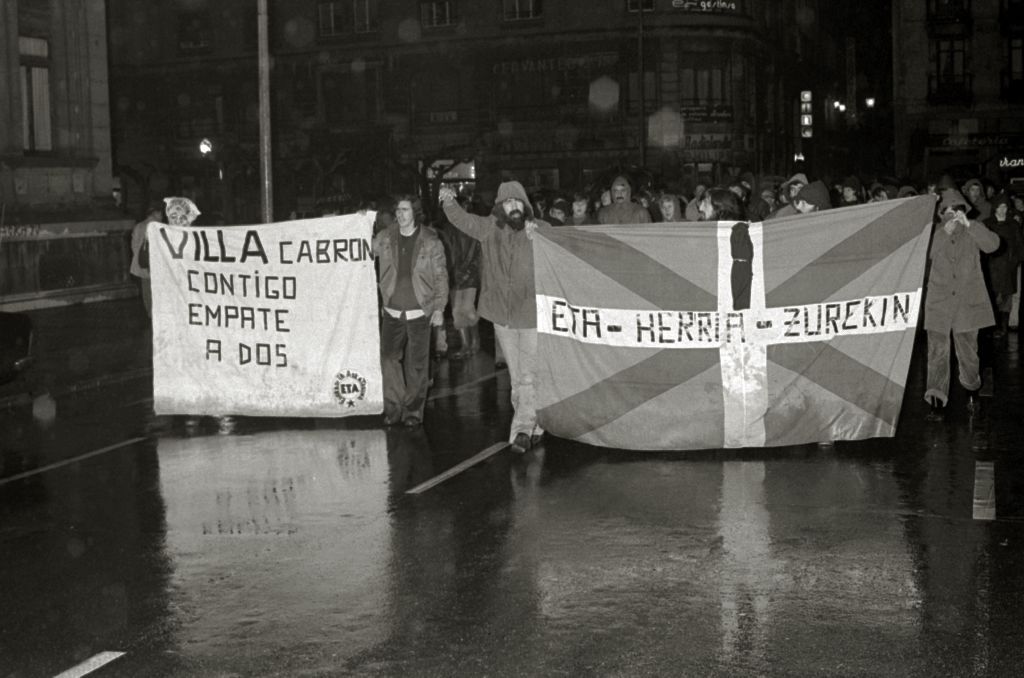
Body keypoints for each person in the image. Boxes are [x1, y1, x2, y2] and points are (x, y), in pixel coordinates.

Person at [439, 180, 550, 453]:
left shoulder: (538, 230)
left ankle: (522, 430)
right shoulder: (489, 228)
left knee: (528, 375)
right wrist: (447, 201)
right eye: (508, 202)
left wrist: (543, 235)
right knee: (517, 376)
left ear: (525, 205)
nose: (514, 207)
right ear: (500, 207)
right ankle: (534, 423)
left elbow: (564, 242)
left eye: (518, 201)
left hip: (532, 315)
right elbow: (462, 220)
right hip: (502, 316)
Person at [923, 189, 1000, 421]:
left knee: (968, 353)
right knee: (937, 353)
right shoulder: (933, 232)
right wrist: (942, 234)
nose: (952, 216)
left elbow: (993, 245)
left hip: (968, 304)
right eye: (947, 211)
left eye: (957, 211)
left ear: (964, 211)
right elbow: (922, 256)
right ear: (940, 213)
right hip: (939, 304)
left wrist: (971, 226)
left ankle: (971, 390)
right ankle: (936, 402)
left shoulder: (973, 230)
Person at [372, 195, 448, 427]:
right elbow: (363, 248)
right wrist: (360, 223)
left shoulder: (431, 241)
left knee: (417, 365)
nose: (400, 214)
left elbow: (441, 276)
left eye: (405, 210)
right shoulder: (386, 238)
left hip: (419, 312)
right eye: (398, 210)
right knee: (388, 359)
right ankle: (394, 408)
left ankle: (413, 411)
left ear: (415, 213)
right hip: (392, 311)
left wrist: (439, 308)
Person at [699, 188, 752, 310]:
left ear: (720, 208)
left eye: (705, 203)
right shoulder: (701, 231)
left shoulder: (742, 234)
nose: (700, 208)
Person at [982, 193, 1023, 339]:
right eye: (999, 207)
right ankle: (991, 327)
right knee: (992, 296)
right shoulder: (987, 224)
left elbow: (1019, 246)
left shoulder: (1013, 225)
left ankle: (1003, 328)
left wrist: (1015, 261)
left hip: (1008, 266)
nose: (1002, 210)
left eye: (1005, 206)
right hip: (991, 267)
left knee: (1006, 299)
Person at [129, 202, 164, 318]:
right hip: (155, 264)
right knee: (157, 289)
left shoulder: (139, 226)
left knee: (146, 289)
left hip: (141, 262)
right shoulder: (157, 227)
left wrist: (140, 258)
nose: (162, 216)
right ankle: (156, 313)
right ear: (156, 213)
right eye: (160, 214)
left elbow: (134, 245)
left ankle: (149, 311)